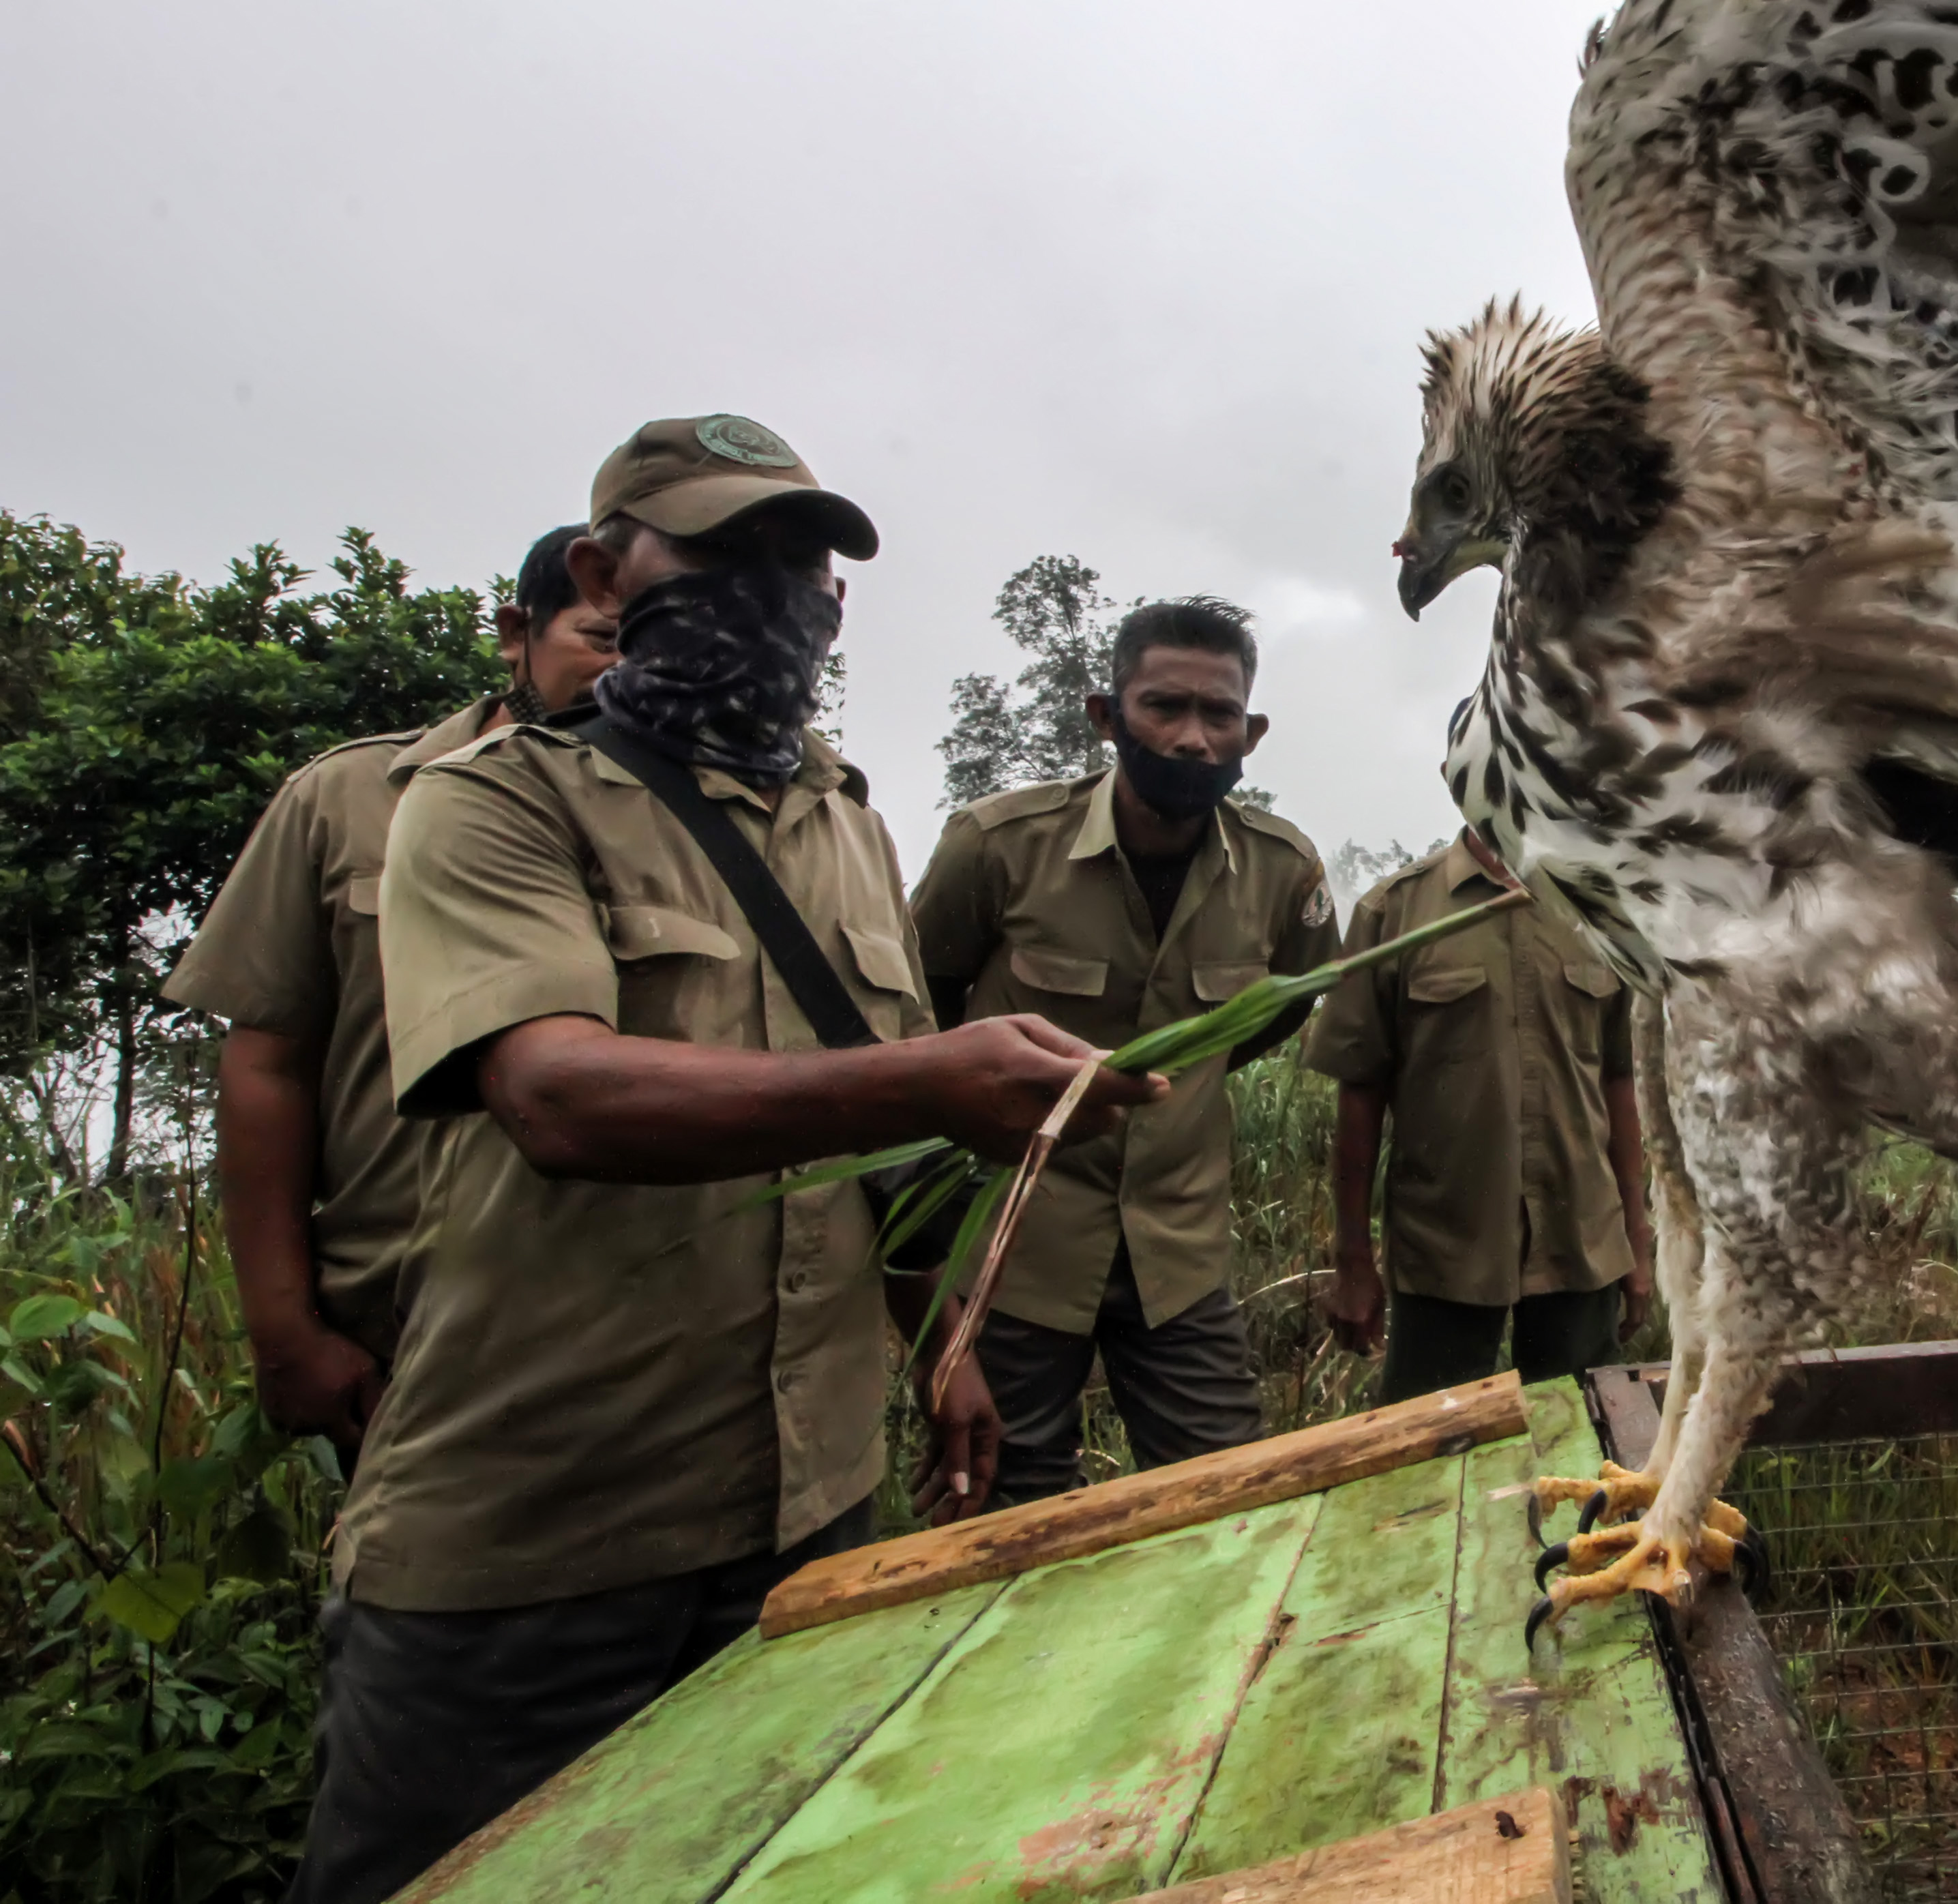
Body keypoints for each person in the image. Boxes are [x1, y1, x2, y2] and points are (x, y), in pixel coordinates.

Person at [289, 416, 1156, 1904]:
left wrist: (937, 1334)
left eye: (803, 562)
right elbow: (556, 1095)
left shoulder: (846, 829)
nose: (778, 591)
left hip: (805, 1512)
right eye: (726, 551)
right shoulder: (494, 805)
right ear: (602, 569)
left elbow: (864, 1132)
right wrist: (935, 1076)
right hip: (543, 1528)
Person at [160, 524, 619, 1451]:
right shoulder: (348, 800)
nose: (625, 675)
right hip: (403, 1328)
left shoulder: (698, 827)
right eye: (602, 640)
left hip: (628, 1337)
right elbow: (267, 1068)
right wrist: (284, 1332)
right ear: (514, 632)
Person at [910, 597, 1336, 1505]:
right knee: (1001, 1519)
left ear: (1250, 733)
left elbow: (1274, 1014)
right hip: (1017, 1255)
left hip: (1177, 1258)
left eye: (1218, 715)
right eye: (1164, 707)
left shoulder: (1281, 872)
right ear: (1107, 716)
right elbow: (925, 1015)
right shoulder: (1000, 847)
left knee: (1228, 1505)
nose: (1191, 738)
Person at [1307, 827, 1654, 1399]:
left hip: (1584, 1240)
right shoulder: (1394, 911)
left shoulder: (1601, 908)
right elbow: (1360, 1093)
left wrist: (1637, 1243)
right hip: (1443, 1250)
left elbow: (1620, 1077)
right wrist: (1353, 1261)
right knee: (1434, 1457)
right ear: (1454, 773)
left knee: (1582, 1452)